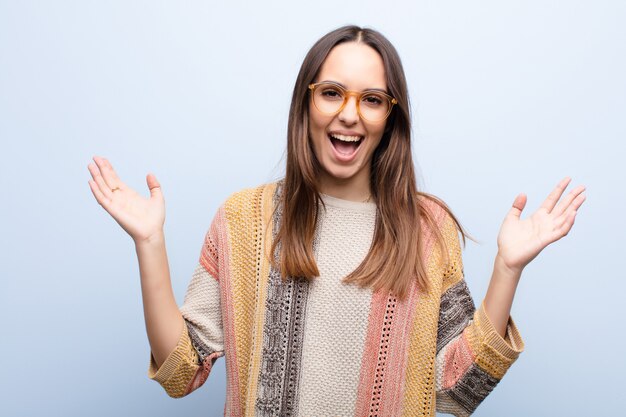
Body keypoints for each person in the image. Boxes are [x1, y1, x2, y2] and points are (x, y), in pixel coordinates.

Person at [87, 25, 586, 416]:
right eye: (332, 92)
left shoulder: (428, 228)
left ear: (390, 117)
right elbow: (180, 374)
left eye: (371, 99)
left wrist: (508, 267)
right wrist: (149, 243)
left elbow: (456, 392)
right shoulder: (242, 220)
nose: (350, 114)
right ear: (306, 102)